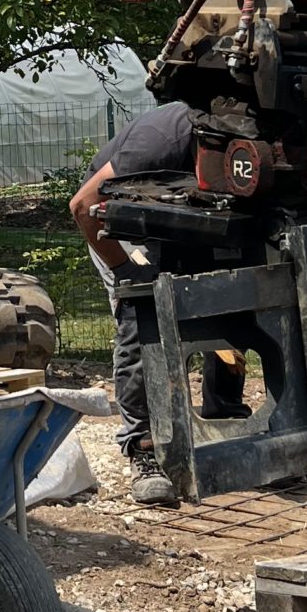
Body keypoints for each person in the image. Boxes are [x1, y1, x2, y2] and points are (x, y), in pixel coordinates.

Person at [68, 102, 245, 507]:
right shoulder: (159, 143)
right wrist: (125, 269)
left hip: (186, 213)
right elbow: (82, 207)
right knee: (140, 312)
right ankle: (143, 448)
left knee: (226, 297)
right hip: (117, 219)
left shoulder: (244, 140)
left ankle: (225, 414)